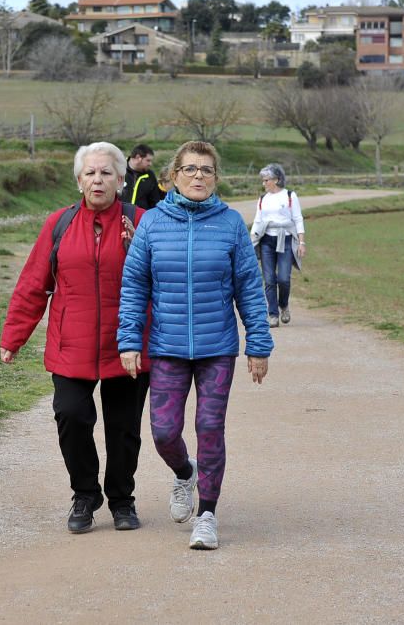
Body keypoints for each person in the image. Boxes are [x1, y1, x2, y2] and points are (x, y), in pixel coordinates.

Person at [118, 140, 273, 551]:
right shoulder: (152, 224)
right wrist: (130, 341)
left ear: (215, 177)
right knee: (164, 432)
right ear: (173, 177)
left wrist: (258, 345)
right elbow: (134, 286)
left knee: (209, 428)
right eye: (189, 169)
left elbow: (250, 289)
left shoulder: (230, 223)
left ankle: (207, 515)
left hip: (216, 348)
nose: (198, 177)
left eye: (206, 170)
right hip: (166, 346)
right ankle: (184, 472)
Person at [0, 141, 150, 534]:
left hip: (128, 345)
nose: (97, 180)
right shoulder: (59, 224)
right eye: (90, 173)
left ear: (121, 179)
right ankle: (84, 494)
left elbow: (167, 281)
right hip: (72, 344)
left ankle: (121, 500)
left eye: (106, 173)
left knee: (124, 429)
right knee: (70, 415)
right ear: (79, 181)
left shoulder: (143, 221)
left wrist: (139, 250)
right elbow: (35, 283)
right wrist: (14, 336)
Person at [250, 163, 305, 328]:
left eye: (266, 180)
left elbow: (298, 219)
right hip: (267, 240)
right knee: (269, 279)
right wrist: (250, 242)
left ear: (276, 179)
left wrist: (301, 242)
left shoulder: (290, 196)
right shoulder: (262, 199)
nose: (264, 183)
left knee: (283, 278)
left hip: (286, 239)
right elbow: (257, 221)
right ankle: (273, 314)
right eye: (263, 180)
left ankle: (284, 305)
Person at [121, 144, 160, 209]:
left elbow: (154, 201)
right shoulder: (118, 171)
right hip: (119, 217)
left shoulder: (150, 176)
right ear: (138, 157)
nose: (150, 164)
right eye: (148, 160)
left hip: (142, 217)